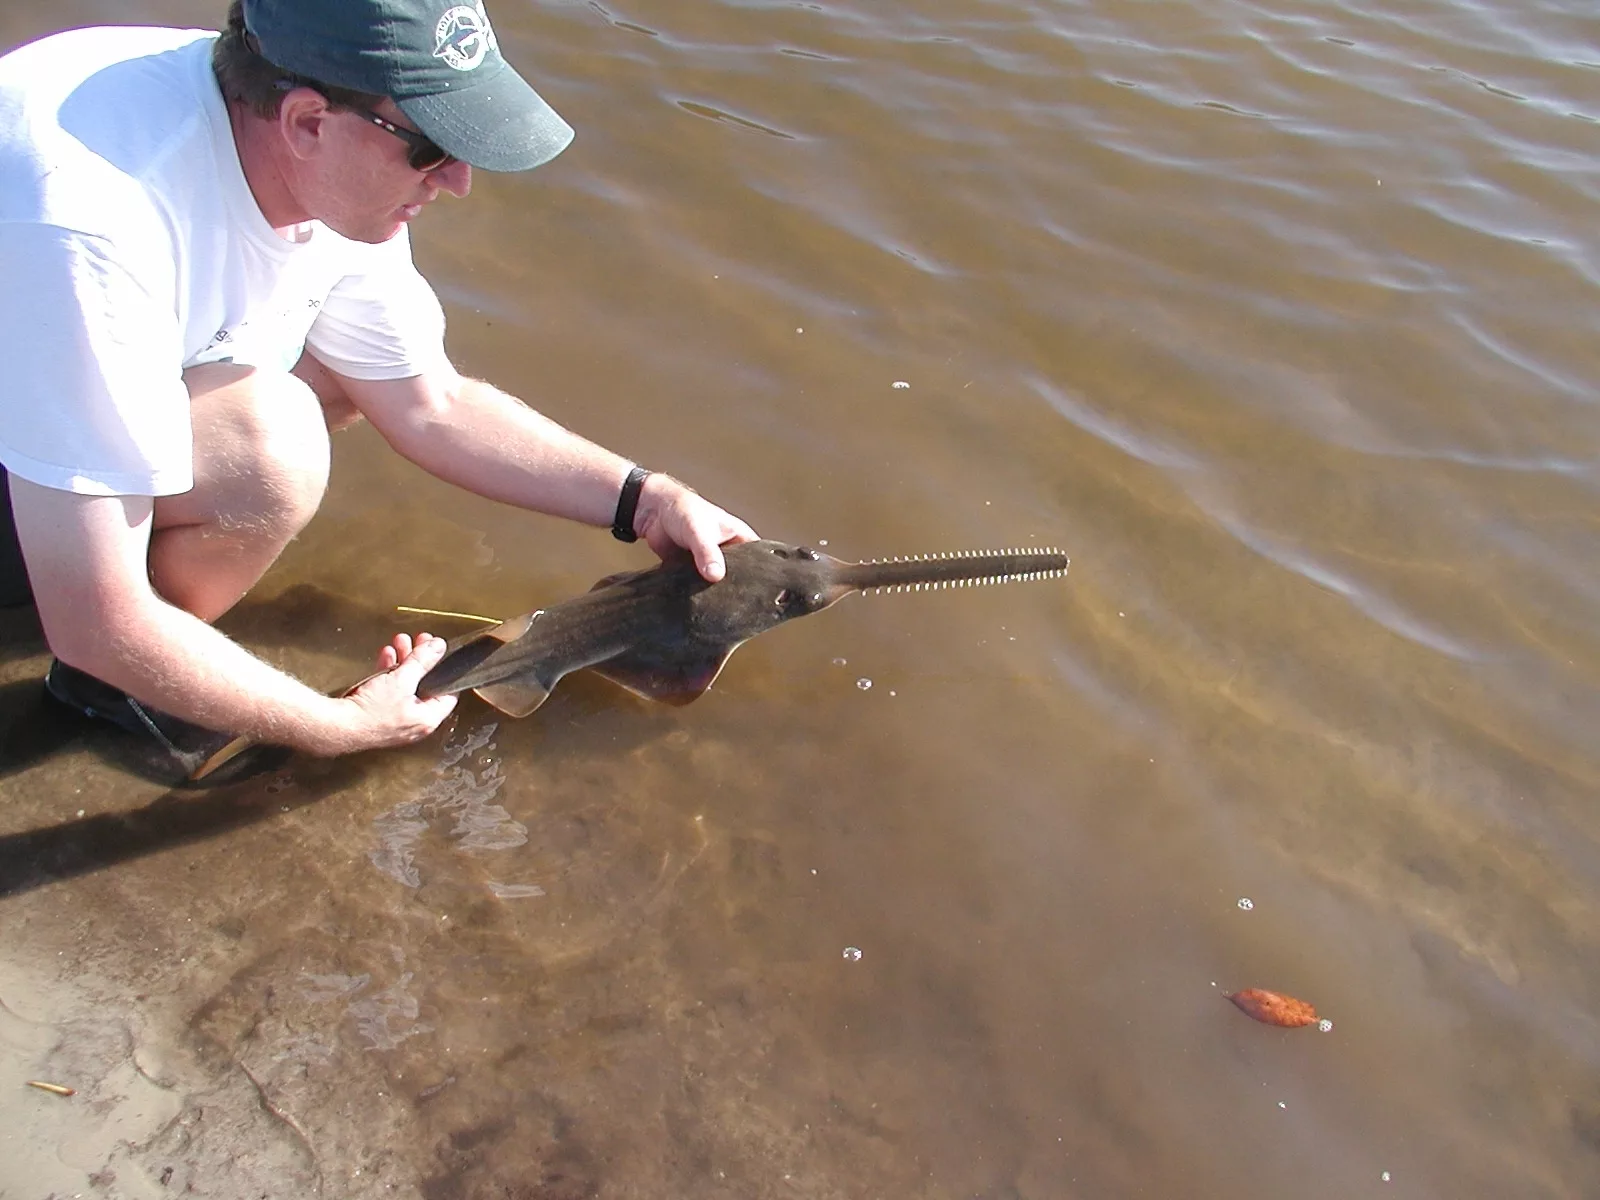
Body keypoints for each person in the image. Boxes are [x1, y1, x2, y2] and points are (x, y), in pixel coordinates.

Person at [0, 0, 757, 773]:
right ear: (305, 121)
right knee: (274, 445)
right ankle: (109, 689)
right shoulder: (89, 222)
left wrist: (645, 498)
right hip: (24, 430)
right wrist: (339, 725)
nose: (459, 180)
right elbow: (93, 616)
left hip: (38, 388)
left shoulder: (303, 140)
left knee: (338, 374)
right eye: (430, 147)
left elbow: (431, 405)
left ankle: (146, 616)